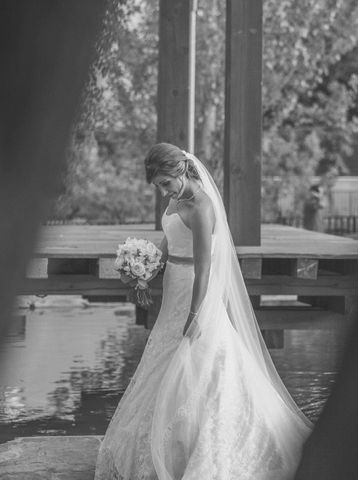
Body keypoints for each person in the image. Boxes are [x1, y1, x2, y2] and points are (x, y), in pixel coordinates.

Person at [95, 143, 312, 480]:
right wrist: (147, 267)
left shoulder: (201, 206)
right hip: (173, 285)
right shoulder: (175, 200)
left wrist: (195, 314)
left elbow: (205, 267)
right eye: (159, 186)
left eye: (167, 182)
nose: (164, 191)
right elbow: (170, 240)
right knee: (164, 355)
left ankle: (200, 442)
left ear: (182, 170)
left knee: (201, 358)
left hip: (195, 288)